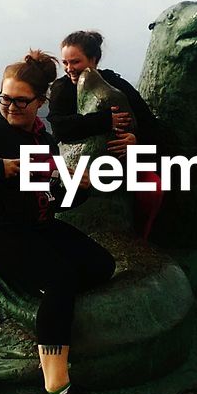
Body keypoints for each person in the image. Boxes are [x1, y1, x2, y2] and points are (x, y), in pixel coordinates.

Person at [0, 50, 116, 394]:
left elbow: (54, 199)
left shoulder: (44, 140)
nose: (10, 107)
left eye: (22, 101)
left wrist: (80, 187)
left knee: (103, 265)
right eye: (5, 99)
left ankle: (44, 300)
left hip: (31, 225)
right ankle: (56, 388)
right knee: (62, 277)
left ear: (41, 101)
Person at [48, 30, 164, 240]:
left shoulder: (115, 84)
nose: (69, 69)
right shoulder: (61, 87)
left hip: (122, 166)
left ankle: (142, 239)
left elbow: (151, 125)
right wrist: (106, 120)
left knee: (152, 189)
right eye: (65, 62)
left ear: (94, 60)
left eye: (75, 62)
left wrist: (136, 141)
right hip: (76, 167)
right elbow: (59, 127)